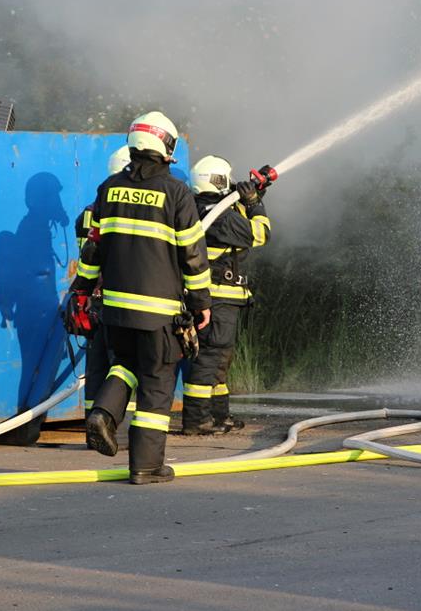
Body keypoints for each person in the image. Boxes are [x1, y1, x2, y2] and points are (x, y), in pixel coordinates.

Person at [70, 111, 212, 484]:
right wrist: (202, 304)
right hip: (158, 312)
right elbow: (193, 255)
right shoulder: (177, 193)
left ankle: (103, 413)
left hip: (115, 310)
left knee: (125, 364)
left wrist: (82, 289)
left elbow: (92, 250)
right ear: (165, 145)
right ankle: (147, 466)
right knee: (158, 380)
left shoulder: (108, 189)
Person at [180, 155, 272, 435]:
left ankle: (219, 415)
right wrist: (255, 204)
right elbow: (260, 233)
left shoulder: (200, 209)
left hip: (214, 298)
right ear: (220, 181)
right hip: (217, 298)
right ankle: (197, 420)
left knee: (220, 359)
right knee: (210, 356)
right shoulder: (219, 216)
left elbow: (235, 224)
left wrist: (253, 195)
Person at [74, 145, 133, 435]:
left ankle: (92, 428)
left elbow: (87, 254)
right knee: (123, 363)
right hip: (118, 299)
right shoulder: (124, 213)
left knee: (96, 366)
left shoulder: (91, 211)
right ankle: (118, 430)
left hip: (93, 300)